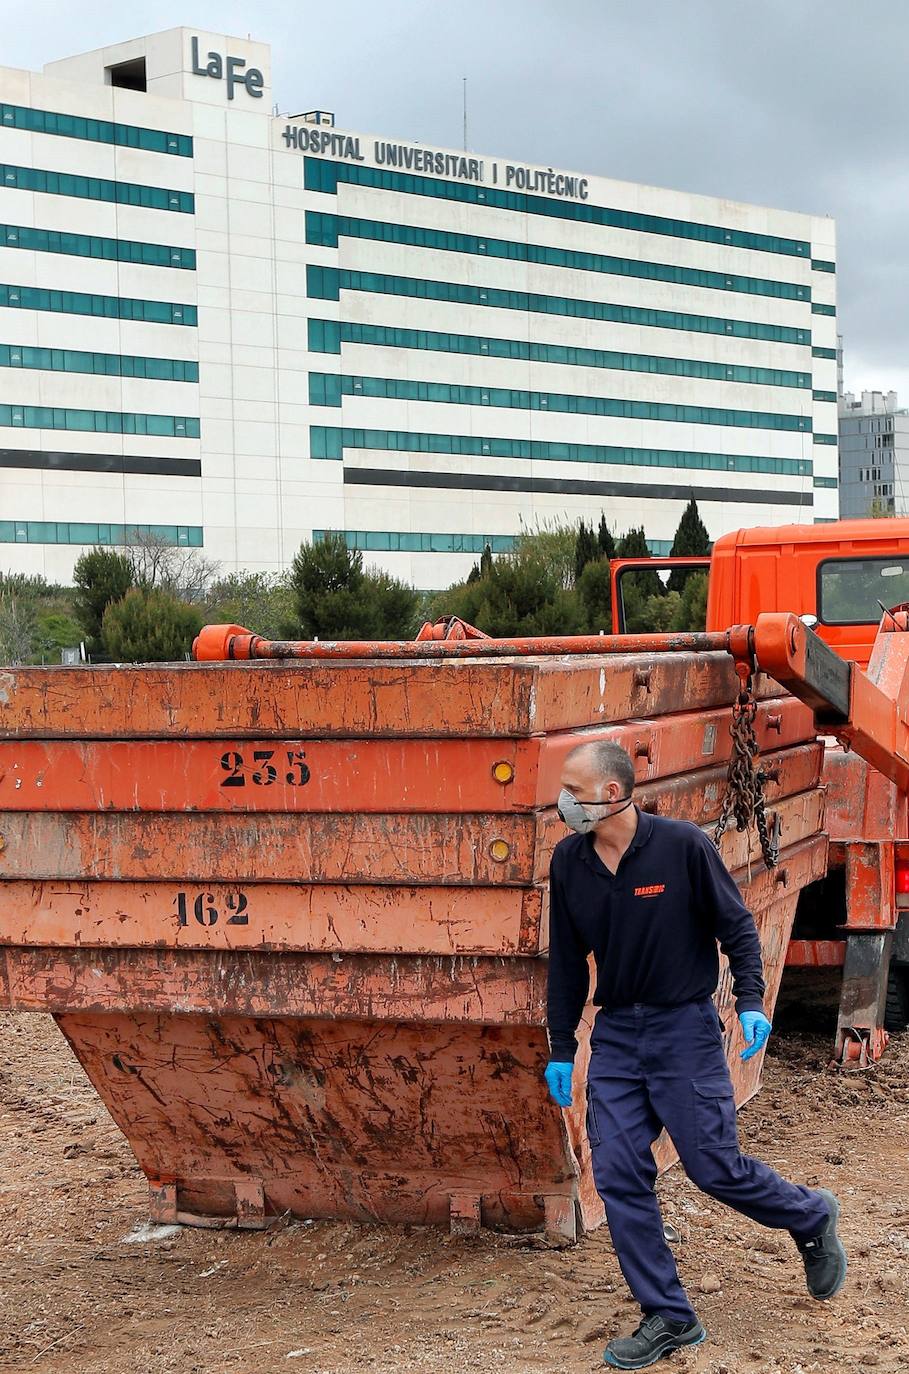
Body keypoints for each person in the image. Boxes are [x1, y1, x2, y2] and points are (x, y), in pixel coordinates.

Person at [544, 740, 847, 1371]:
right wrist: (561, 1047)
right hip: (620, 1035)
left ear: (609, 792)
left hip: (684, 1028)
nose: (563, 801)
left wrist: (753, 1001)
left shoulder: (681, 848)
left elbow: (735, 926)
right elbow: (567, 964)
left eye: (572, 790)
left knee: (714, 1167)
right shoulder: (569, 861)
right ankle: (670, 1316)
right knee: (620, 1170)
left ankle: (811, 1215)